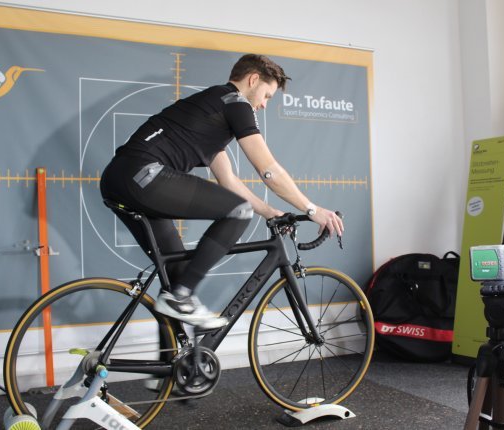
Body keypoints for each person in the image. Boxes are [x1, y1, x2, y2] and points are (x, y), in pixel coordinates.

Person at [100, 54, 344, 329]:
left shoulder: (212, 111)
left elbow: (229, 180)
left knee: (179, 276)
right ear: (253, 80)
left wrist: (269, 212)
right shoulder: (235, 103)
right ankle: (180, 298)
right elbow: (269, 170)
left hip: (120, 180)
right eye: (267, 95)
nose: (264, 105)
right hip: (143, 175)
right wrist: (311, 209)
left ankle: (173, 365)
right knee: (237, 214)